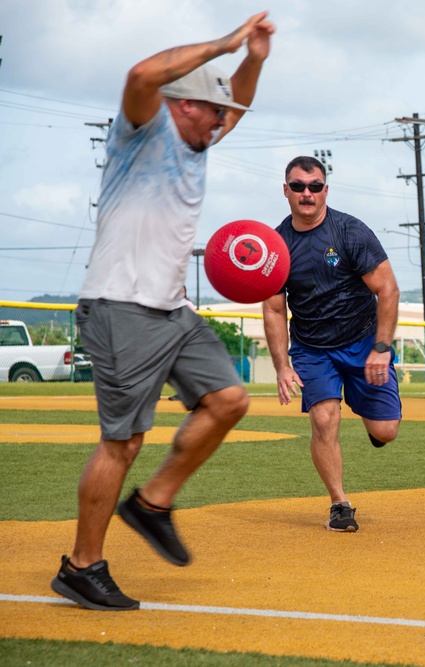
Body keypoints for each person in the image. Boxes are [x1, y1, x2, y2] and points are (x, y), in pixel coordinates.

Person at [51, 13, 275, 612]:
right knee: (122, 442)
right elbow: (141, 72)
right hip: (120, 306)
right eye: (216, 111)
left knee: (229, 400)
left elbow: (241, 101)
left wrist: (251, 59)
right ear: (183, 105)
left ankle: (152, 505)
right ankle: (81, 566)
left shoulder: (198, 144)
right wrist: (226, 43)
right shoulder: (141, 129)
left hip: (172, 309)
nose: (225, 121)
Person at [262, 156, 402, 533]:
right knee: (324, 419)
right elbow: (275, 310)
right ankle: (340, 504)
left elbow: (387, 289)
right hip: (312, 348)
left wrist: (382, 347)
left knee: (385, 430)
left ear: (326, 190)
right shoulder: (276, 247)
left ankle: (370, 411)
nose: (306, 193)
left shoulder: (350, 232)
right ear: (286, 191)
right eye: (297, 186)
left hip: (363, 342)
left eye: (314, 186)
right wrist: (281, 366)